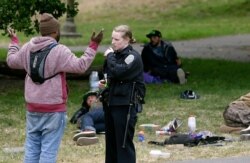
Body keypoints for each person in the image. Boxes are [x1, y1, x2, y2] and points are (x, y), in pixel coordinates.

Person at [6, 13, 103, 163]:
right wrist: (93, 45)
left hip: (32, 108)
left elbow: (11, 61)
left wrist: (14, 42)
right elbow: (80, 66)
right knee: (48, 151)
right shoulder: (59, 51)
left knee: (31, 147)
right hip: (53, 109)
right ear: (56, 32)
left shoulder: (27, 48)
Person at [100, 25, 146, 163]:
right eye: (112, 38)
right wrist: (105, 83)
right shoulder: (115, 56)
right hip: (111, 102)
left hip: (125, 104)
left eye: (116, 39)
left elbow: (120, 71)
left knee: (123, 144)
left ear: (127, 40)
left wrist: (109, 56)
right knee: (111, 144)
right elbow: (110, 74)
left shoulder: (133, 57)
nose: (113, 42)